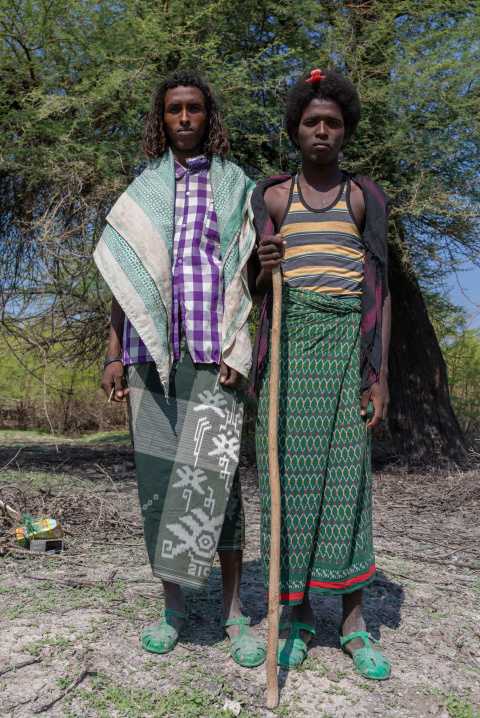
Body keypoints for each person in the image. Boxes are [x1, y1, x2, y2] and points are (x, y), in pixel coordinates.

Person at [94, 71, 265, 667]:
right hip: (149, 359)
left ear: (208, 115)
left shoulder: (235, 184)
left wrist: (241, 352)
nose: (185, 118)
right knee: (161, 485)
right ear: (160, 118)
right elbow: (124, 278)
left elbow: (248, 278)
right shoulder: (142, 188)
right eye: (174, 110)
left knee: (218, 485)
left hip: (214, 356)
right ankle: (173, 609)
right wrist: (115, 350)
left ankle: (233, 611)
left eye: (194, 108)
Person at [249, 68, 391, 679]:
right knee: (290, 488)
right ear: (295, 130)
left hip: (343, 356)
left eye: (333, 123)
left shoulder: (364, 198)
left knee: (348, 486)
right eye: (312, 122)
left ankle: (355, 625)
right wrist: (264, 260)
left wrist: (377, 375)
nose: (323, 132)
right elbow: (256, 290)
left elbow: (378, 291)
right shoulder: (274, 196)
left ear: (346, 130)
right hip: (286, 359)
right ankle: (298, 616)